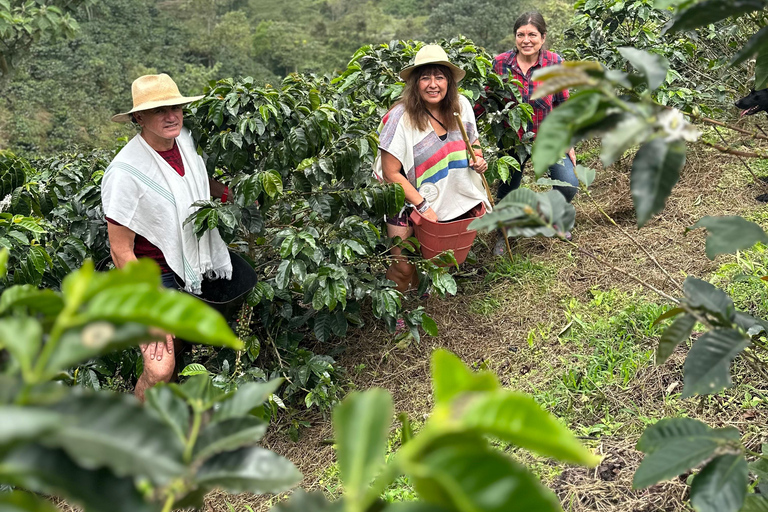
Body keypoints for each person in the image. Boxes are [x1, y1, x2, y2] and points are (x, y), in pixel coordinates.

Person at [102, 73, 232, 401]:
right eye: (159, 111)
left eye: (175, 107)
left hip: (190, 268)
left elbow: (196, 179)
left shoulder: (185, 143)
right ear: (139, 119)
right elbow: (120, 251)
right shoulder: (126, 173)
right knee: (159, 369)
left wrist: (232, 197)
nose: (171, 116)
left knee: (178, 350)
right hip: (153, 277)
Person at [375, 45, 491, 297]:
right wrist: (422, 205)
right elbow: (391, 174)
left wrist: (478, 159)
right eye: (425, 78)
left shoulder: (460, 106)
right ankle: (392, 309)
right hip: (404, 200)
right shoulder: (400, 118)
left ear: (449, 81)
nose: (433, 84)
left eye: (439, 77)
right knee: (403, 266)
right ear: (415, 83)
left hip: (443, 193)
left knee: (430, 256)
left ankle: (417, 298)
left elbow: (473, 141)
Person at [492, 11, 579, 253]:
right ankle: (505, 234)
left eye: (532, 34)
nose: (526, 40)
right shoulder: (500, 63)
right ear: (515, 37)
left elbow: (562, 104)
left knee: (568, 184)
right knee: (508, 188)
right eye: (521, 35)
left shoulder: (554, 62)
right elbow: (488, 100)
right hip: (512, 140)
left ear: (543, 37)